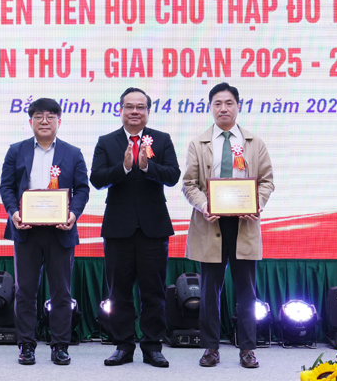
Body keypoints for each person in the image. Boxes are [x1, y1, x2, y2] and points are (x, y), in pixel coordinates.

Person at [181, 82, 274, 369]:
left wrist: (257, 203)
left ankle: (247, 349)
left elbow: (267, 181)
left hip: (244, 225)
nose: (223, 108)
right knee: (209, 292)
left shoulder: (254, 143)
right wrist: (204, 205)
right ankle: (210, 347)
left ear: (238, 106)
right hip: (210, 226)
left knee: (247, 292)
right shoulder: (199, 143)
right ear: (210, 107)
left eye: (229, 103)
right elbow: (189, 184)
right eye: (218, 103)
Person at [90, 87, 180, 367]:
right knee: (119, 292)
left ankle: (153, 347)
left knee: (153, 292)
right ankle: (123, 346)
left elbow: (173, 175)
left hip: (154, 228)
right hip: (118, 229)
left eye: (140, 107)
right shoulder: (107, 142)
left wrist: (147, 167)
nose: (135, 112)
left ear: (148, 112)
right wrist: (125, 167)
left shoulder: (161, 139)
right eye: (129, 106)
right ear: (120, 110)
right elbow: (97, 179)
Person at [0, 98, 90, 366]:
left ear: (59, 121)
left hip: (61, 231)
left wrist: (73, 214)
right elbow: (6, 187)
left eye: (50, 116)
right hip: (26, 230)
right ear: (30, 122)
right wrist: (14, 213)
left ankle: (60, 345)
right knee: (25, 291)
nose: (44, 121)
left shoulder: (73, 153)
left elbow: (82, 189)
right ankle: (26, 345)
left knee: (61, 292)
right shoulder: (16, 151)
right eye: (38, 116)